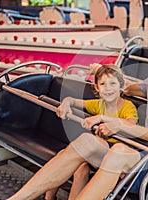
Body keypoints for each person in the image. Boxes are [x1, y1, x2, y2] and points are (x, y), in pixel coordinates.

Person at [8, 24, 148, 200]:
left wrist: (120, 124)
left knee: (117, 152)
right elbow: (128, 87)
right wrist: (101, 73)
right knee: (86, 141)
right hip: (141, 150)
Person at [47, 64, 138, 200]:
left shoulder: (127, 107)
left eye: (112, 83)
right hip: (97, 151)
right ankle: (49, 198)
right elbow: (72, 100)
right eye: (103, 84)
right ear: (97, 88)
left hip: (114, 155)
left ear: (121, 85)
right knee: (77, 166)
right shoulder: (99, 104)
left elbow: (131, 125)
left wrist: (102, 118)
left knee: (77, 159)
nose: (108, 88)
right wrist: (65, 103)